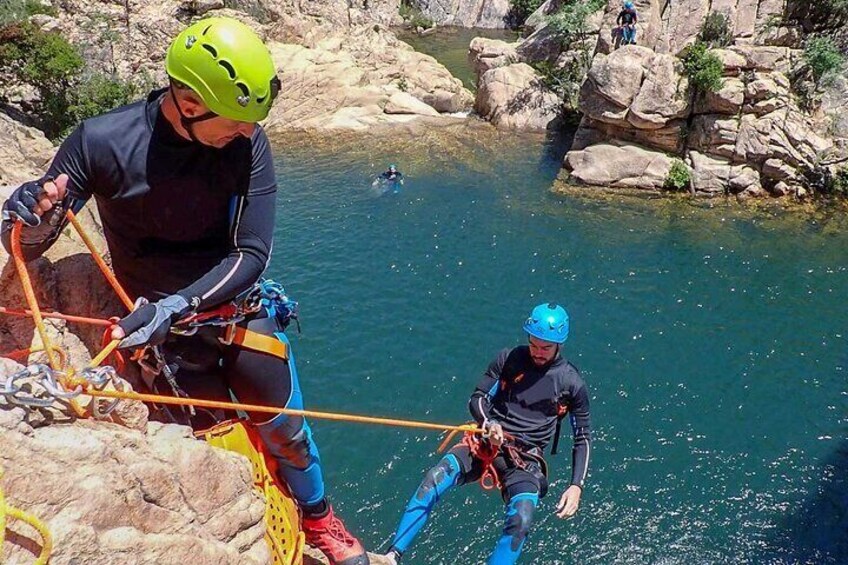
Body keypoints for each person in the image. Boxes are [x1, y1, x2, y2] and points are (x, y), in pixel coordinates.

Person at [0, 17, 369, 565]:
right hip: (157, 333)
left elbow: (251, 253)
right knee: (215, 441)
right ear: (191, 101)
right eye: (237, 121)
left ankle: (318, 519)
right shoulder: (102, 143)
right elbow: (30, 248)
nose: (247, 133)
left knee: (286, 428)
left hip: (227, 309)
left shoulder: (248, 145)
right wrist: (35, 210)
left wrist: (181, 305)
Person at [383, 303, 592, 564]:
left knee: (522, 518)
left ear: (559, 344)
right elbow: (478, 397)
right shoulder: (509, 359)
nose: (537, 352)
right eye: (533, 344)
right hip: (486, 440)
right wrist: (489, 422)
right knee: (434, 480)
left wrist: (576, 486)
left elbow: (582, 437)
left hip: (524, 459)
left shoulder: (571, 383)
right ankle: (392, 555)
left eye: (545, 348)